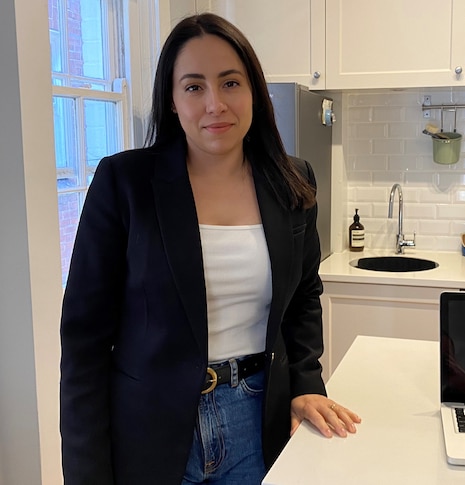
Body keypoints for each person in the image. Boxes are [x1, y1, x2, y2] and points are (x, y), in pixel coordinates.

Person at [59, 12, 360, 485]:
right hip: (149, 428)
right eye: (194, 87)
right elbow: (84, 341)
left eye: (230, 83)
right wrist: (85, 471)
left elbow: (303, 295)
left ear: (253, 93)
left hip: (257, 419)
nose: (215, 104)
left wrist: (305, 382)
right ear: (173, 101)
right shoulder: (125, 183)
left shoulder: (293, 180)